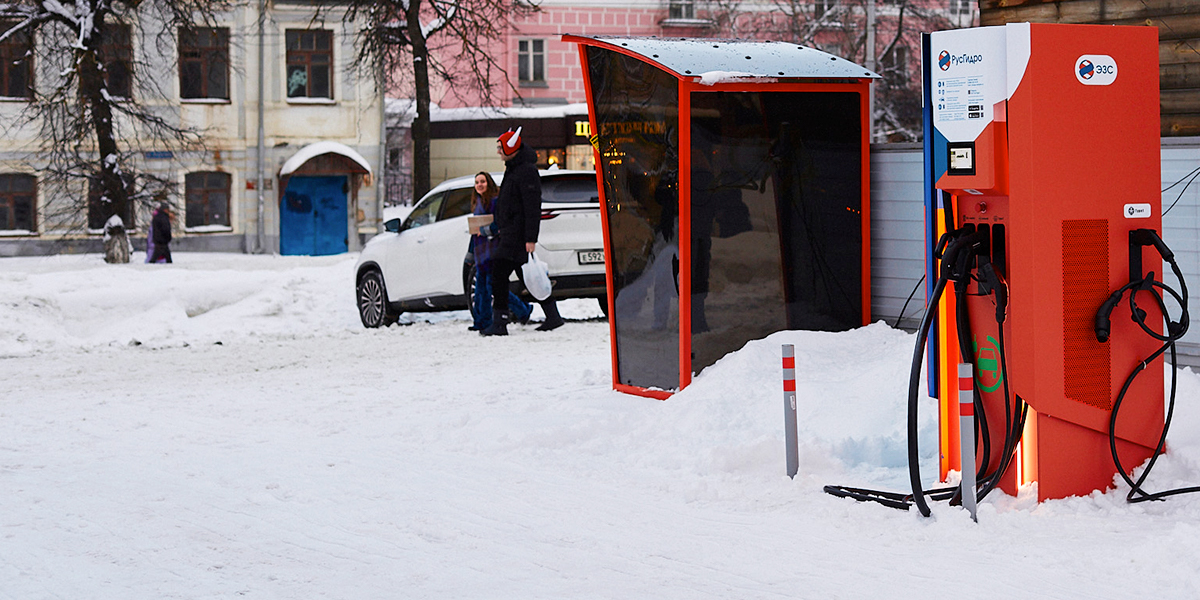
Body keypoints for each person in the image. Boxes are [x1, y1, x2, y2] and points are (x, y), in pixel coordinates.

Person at [479, 126, 564, 336]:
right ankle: (552, 315)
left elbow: (532, 206)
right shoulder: (514, 168)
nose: (498, 151)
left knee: (499, 274)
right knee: (529, 276)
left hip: (516, 235)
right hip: (510, 233)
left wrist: (530, 238)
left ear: (510, 149)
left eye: (500, 148)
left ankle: (500, 322)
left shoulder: (526, 171)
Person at [467, 171, 533, 331]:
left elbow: (500, 223)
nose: (479, 185)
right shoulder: (477, 203)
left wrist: (485, 231)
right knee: (481, 289)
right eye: (477, 182)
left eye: (482, 181)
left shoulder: (496, 202)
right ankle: (481, 322)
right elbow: (474, 230)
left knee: (492, 286)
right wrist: (470, 253)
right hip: (480, 251)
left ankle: (523, 310)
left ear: (489, 183)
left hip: (494, 249)